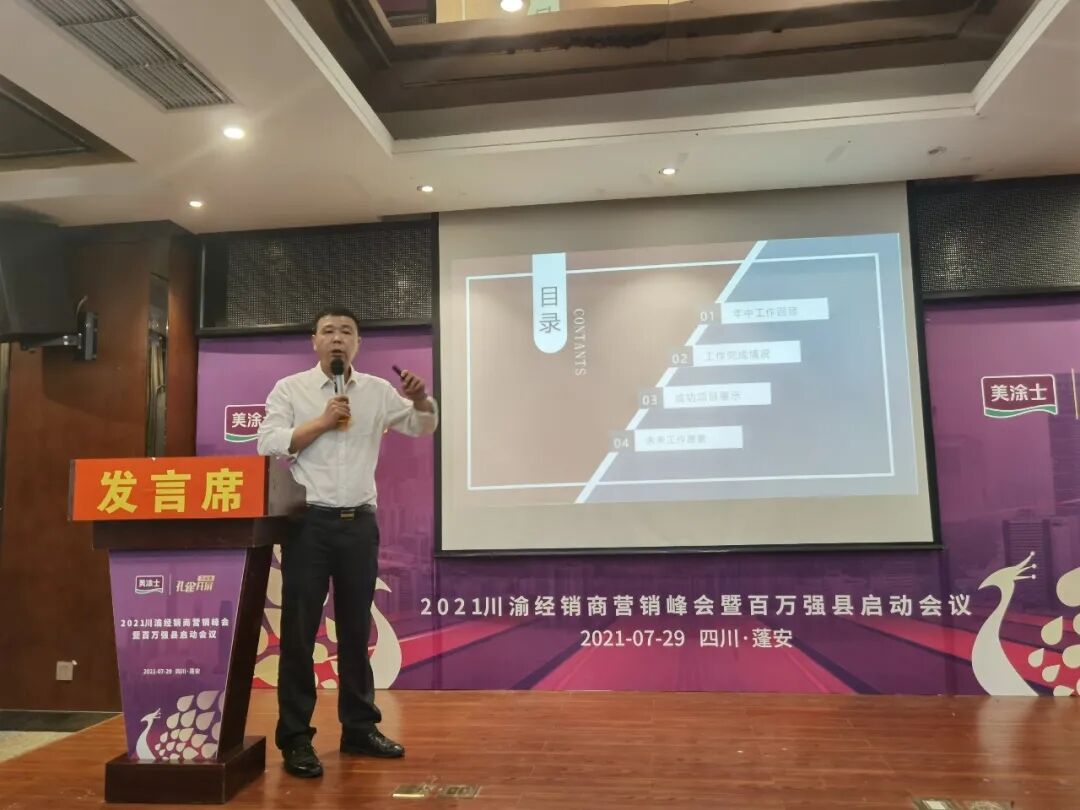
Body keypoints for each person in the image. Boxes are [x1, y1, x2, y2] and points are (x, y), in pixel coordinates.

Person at [256, 306, 438, 778]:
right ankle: (296, 738)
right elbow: (267, 442)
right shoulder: (290, 389)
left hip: (359, 525)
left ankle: (359, 728)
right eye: (328, 331)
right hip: (308, 527)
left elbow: (423, 425)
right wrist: (321, 422)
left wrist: (421, 400)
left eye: (347, 332)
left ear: (358, 344)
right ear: (314, 341)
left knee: (356, 631)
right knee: (299, 634)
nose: (337, 338)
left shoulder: (377, 391)